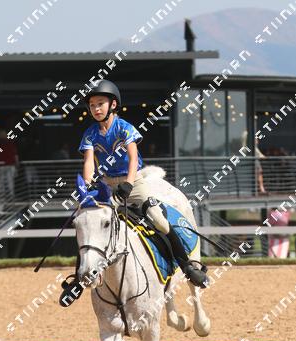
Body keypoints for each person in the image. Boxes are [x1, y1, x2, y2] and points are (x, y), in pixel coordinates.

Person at [79, 80, 208, 287]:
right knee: (89, 221)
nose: (96, 109)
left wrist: (129, 184)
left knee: (159, 220)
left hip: (134, 182)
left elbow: (132, 158)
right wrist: (87, 187)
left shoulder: (124, 128)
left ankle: (188, 267)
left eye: (100, 103)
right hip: (107, 185)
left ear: (113, 104)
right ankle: (83, 274)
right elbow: (88, 162)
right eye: (92, 105)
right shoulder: (90, 133)